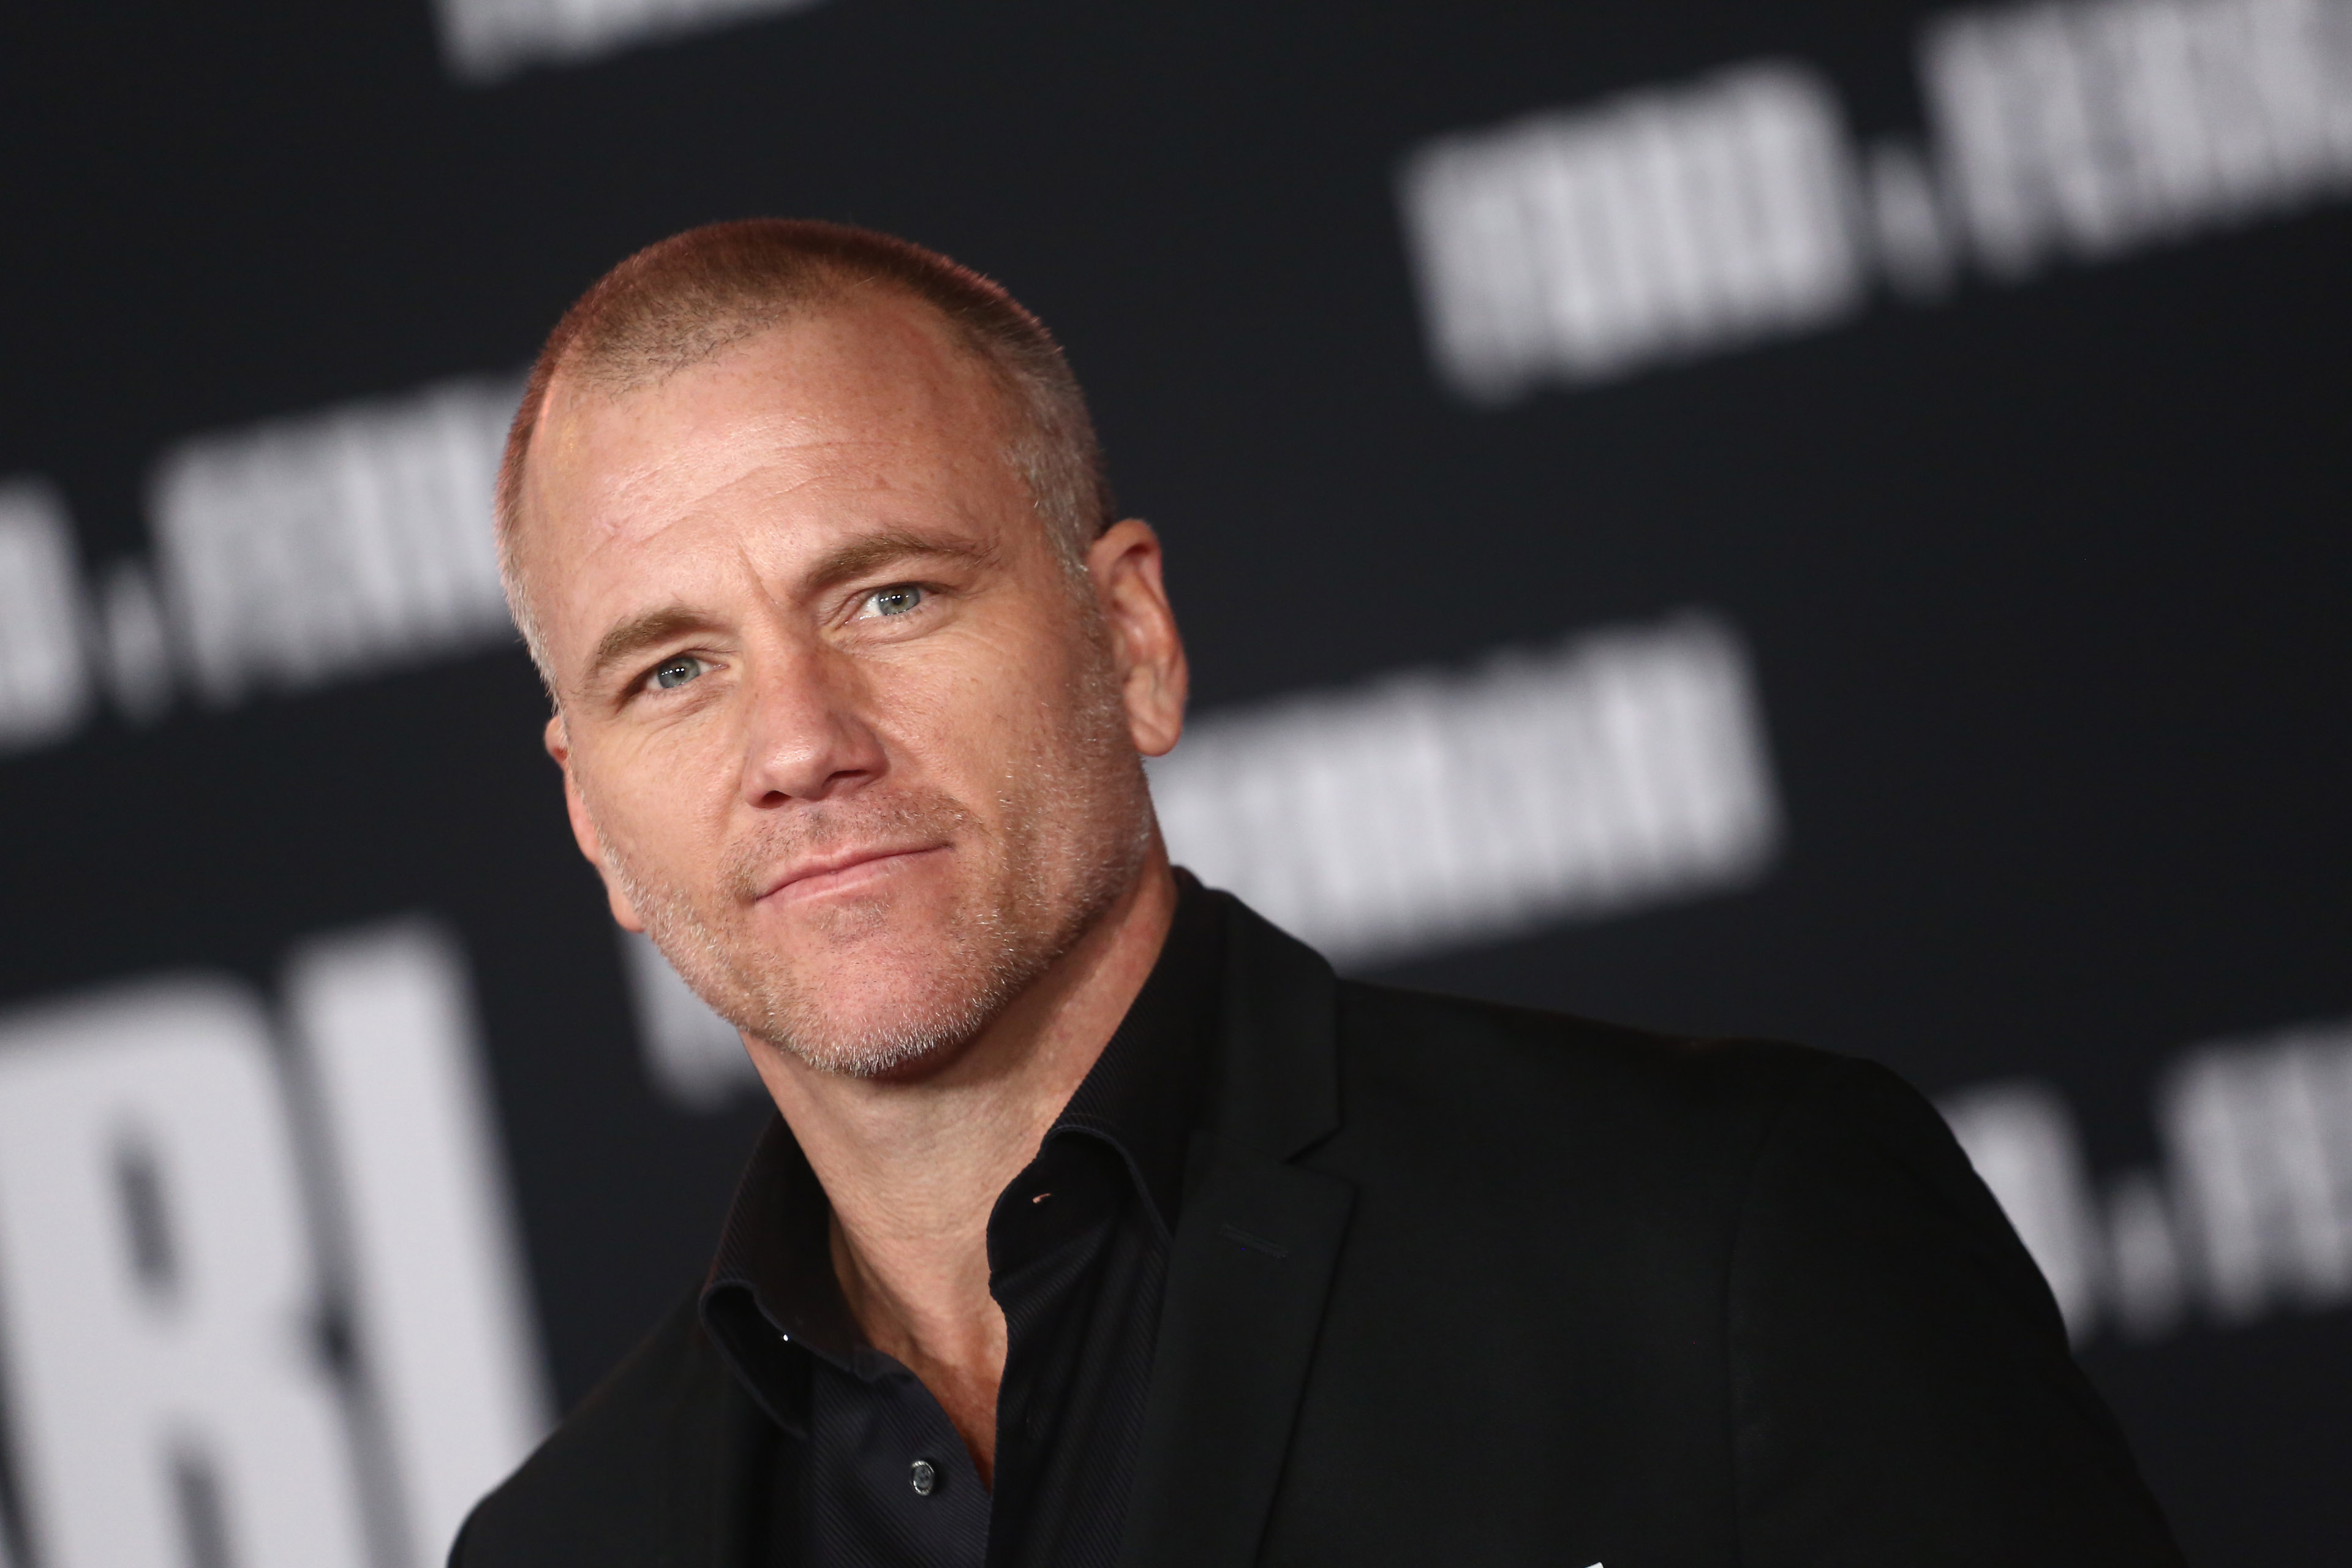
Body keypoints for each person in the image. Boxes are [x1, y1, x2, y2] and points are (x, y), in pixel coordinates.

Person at [453, 218, 2184, 1568]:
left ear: (1131, 640)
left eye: (890, 597)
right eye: (672, 672)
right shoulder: (563, 1547)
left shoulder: (1723, 1240)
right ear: (592, 819)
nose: (801, 741)